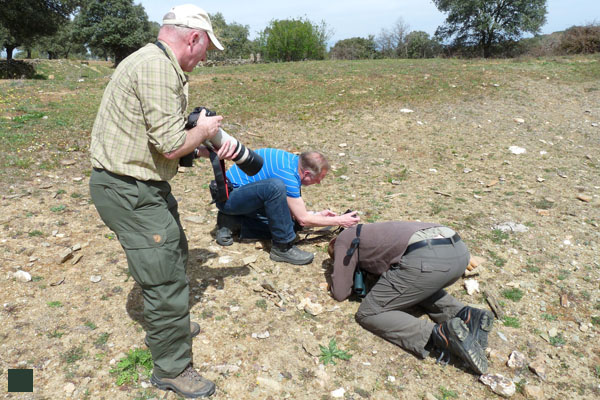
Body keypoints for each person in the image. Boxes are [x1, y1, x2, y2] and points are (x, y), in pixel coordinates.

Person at [89, 4, 233, 398]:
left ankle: (171, 326)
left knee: (174, 251)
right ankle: (171, 368)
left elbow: (158, 136)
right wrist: (203, 131)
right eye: (206, 49)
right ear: (193, 38)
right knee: (165, 278)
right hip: (129, 189)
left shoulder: (158, 63)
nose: (205, 58)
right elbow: (170, 144)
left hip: (142, 185)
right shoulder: (155, 67)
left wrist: (195, 149)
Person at [327, 221, 494, 375]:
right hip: (457, 250)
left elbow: (340, 293)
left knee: (368, 313)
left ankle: (440, 335)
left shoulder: (343, 239)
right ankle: (467, 315)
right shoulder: (372, 231)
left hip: (426, 258)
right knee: (415, 285)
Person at [215, 148, 360, 265]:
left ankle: (232, 222)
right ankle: (282, 248)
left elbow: (292, 212)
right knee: (275, 190)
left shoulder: (292, 162)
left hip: (241, 196)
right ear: (307, 173)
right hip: (229, 199)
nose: (318, 184)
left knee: (289, 224)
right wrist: (340, 221)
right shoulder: (287, 175)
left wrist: (316, 216)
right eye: (317, 180)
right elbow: (303, 219)